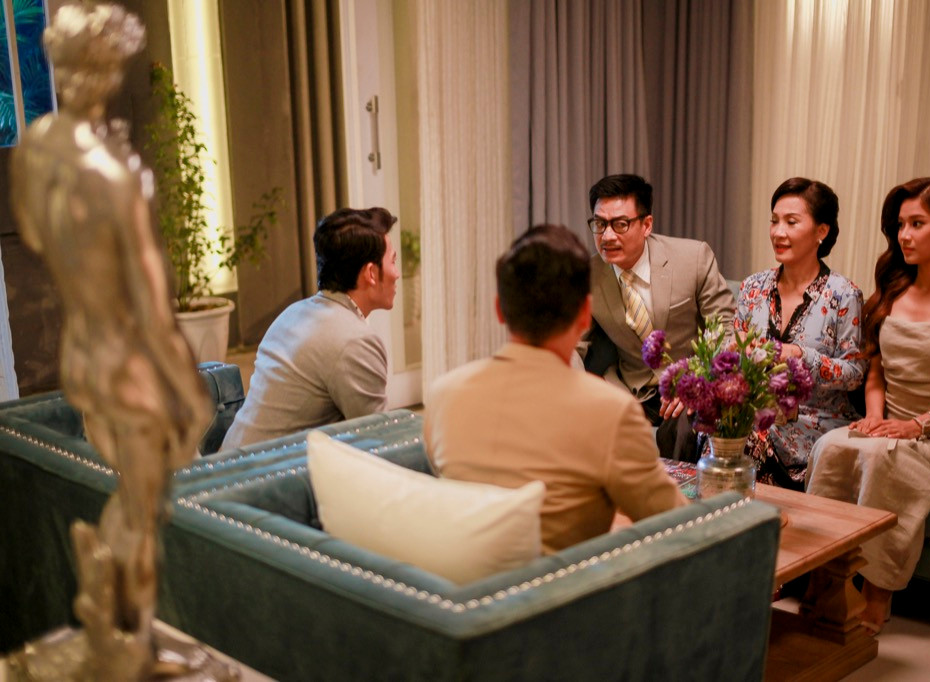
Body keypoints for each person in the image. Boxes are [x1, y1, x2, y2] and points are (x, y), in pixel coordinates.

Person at [11, 3, 211, 676]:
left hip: (80, 351)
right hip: (128, 358)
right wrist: (189, 390)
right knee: (145, 499)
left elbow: (34, 233)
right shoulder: (115, 174)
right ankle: (130, 637)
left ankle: (113, 619)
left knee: (130, 491)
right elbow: (152, 309)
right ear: (105, 73)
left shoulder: (37, 146)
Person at [806, 177, 930, 634]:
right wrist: (874, 416)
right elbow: (875, 372)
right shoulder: (892, 293)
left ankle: (878, 594)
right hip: (886, 425)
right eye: (899, 226)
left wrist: (918, 425)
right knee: (830, 446)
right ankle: (822, 581)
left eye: (917, 224)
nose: (904, 236)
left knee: (882, 459)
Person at [425, 224, 685, 553]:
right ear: (585, 314)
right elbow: (677, 524)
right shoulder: (610, 412)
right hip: (565, 584)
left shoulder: (442, 395)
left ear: (499, 310)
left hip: (463, 580)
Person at [580, 174, 735, 460]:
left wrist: (699, 381)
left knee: (683, 426)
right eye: (599, 224)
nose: (607, 236)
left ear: (647, 225)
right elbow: (569, 346)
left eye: (620, 224)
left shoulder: (693, 258)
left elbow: (726, 329)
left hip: (688, 385)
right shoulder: (587, 276)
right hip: (629, 390)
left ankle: (675, 490)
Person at [220, 207, 399, 450]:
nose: (397, 274)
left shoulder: (292, 313)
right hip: (271, 472)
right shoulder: (355, 341)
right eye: (393, 261)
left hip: (228, 462)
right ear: (371, 273)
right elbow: (382, 440)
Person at [735, 178, 867, 489]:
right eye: (774, 221)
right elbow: (735, 353)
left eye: (791, 222)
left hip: (814, 425)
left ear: (822, 231)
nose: (778, 232)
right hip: (756, 417)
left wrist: (800, 355)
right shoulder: (752, 288)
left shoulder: (844, 294)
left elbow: (854, 373)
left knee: (746, 441)